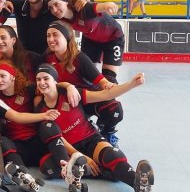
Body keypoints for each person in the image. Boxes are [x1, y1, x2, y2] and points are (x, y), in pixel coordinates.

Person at [34, 63, 154, 192]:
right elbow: (56, 138)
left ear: (55, 81)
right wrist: (77, 155)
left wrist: (131, 84)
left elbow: (105, 95)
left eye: (46, 78)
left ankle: (139, 185)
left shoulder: (71, 94)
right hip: (68, 149)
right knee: (47, 166)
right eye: (38, 79)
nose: (42, 82)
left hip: (90, 139)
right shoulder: (40, 108)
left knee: (113, 155)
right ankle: (104, 171)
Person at [42, 20, 124, 146]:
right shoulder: (47, 57)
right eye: (48, 35)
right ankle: (83, 124)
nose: (51, 39)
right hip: (66, 102)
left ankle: (107, 131)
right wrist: (68, 86)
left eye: (55, 35)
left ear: (67, 37)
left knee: (114, 109)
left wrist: (110, 87)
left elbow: (102, 82)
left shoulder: (79, 58)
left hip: (86, 99)